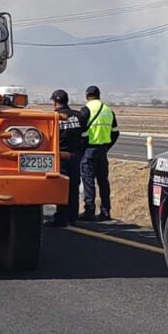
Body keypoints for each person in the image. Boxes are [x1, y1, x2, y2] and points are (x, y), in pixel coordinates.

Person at [44, 89, 85, 228]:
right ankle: (72, 217)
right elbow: (85, 136)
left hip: (60, 155)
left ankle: (61, 218)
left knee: (62, 187)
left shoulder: (53, 117)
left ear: (55, 102)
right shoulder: (79, 116)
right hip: (75, 155)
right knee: (74, 186)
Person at [78, 85, 119, 221]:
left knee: (88, 181)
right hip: (102, 151)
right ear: (99, 95)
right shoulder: (108, 110)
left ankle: (89, 210)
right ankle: (105, 211)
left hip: (89, 150)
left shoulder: (86, 110)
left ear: (87, 96)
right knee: (103, 182)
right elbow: (115, 132)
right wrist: (107, 146)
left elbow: (80, 132)